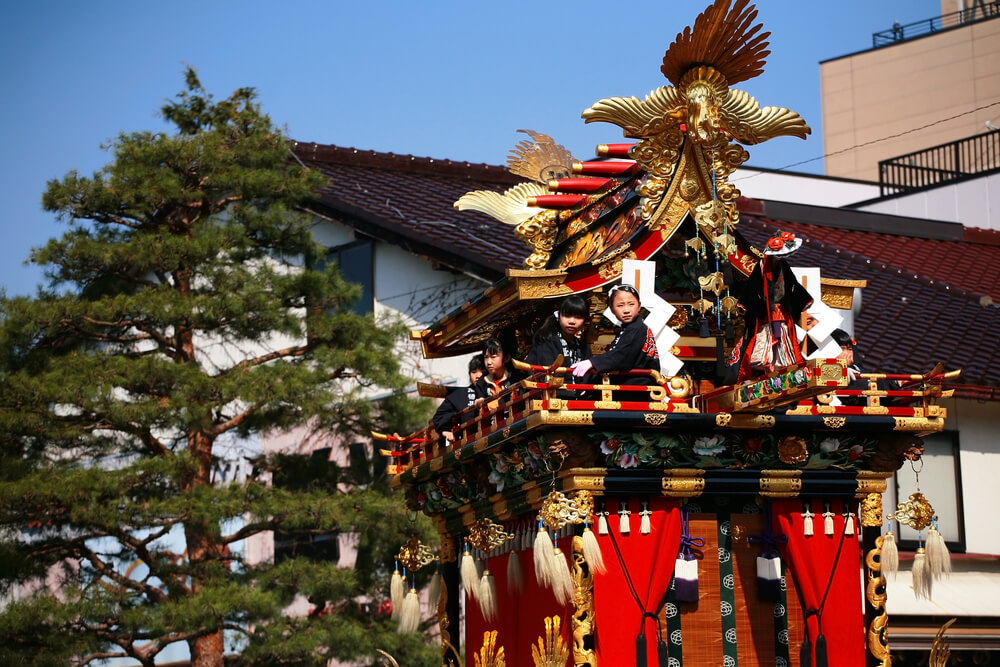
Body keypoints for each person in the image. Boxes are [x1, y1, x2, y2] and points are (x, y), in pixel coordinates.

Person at [569, 284, 658, 383]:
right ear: (612, 309)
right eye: (620, 305)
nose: (626, 310)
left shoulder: (637, 328)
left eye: (631, 304)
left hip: (639, 388)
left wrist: (592, 362)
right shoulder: (627, 329)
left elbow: (622, 356)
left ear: (639, 306)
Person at [432, 354, 484, 442]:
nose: (478, 375)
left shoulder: (496, 387)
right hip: (470, 442)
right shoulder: (461, 394)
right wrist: (445, 431)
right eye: (473, 372)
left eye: (482, 371)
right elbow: (440, 415)